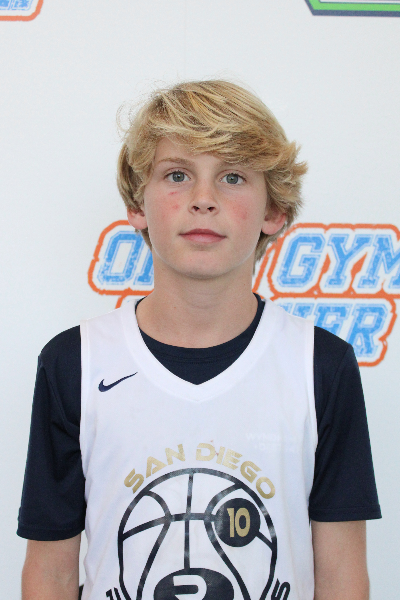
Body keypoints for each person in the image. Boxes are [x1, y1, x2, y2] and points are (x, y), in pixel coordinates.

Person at [18, 80, 381, 600]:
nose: (203, 200)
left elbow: (342, 573)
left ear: (273, 211)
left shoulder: (319, 364)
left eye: (232, 177)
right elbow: (50, 573)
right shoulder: (74, 361)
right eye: (177, 175)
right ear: (138, 205)